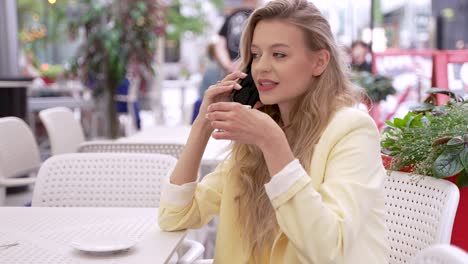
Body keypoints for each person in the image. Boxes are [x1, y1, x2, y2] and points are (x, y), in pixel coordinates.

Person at [159, 0, 389, 263]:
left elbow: (326, 249)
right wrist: (203, 124)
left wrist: (273, 143)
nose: (261, 67)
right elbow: (174, 216)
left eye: (279, 54)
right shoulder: (260, 131)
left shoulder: (352, 131)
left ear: (319, 62)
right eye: (256, 55)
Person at [214, 0, 259, 73]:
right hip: (253, 69)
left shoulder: (230, 17)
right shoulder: (261, 17)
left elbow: (220, 45)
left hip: (235, 70)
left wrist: (229, 65)